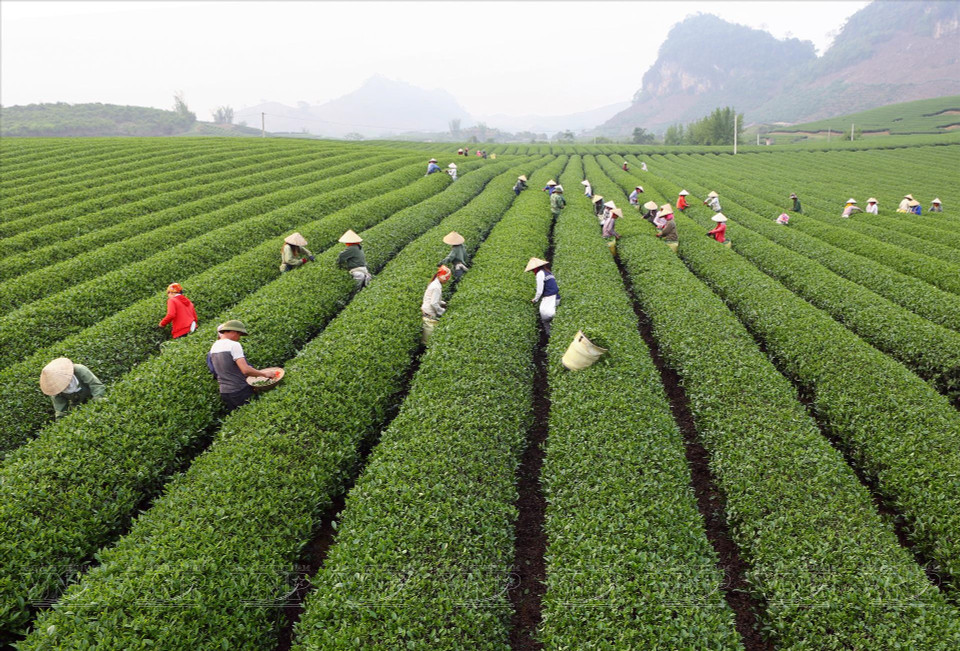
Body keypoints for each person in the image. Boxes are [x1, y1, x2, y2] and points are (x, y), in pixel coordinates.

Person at [206, 320, 276, 413]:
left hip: (225, 391)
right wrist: (264, 374)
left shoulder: (214, 347)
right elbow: (245, 370)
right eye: (239, 335)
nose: (238, 338)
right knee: (252, 416)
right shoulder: (234, 345)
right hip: (240, 390)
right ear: (234, 332)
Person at [39, 357, 106, 419]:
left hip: (94, 396)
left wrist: (97, 400)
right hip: (78, 407)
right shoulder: (56, 389)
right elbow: (60, 410)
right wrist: (61, 422)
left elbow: (96, 385)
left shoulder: (80, 370)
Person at [526, 258, 559, 336]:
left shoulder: (540, 274)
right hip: (557, 297)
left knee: (545, 318)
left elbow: (539, 290)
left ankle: (549, 336)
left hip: (549, 298)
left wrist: (535, 300)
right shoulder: (548, 272)